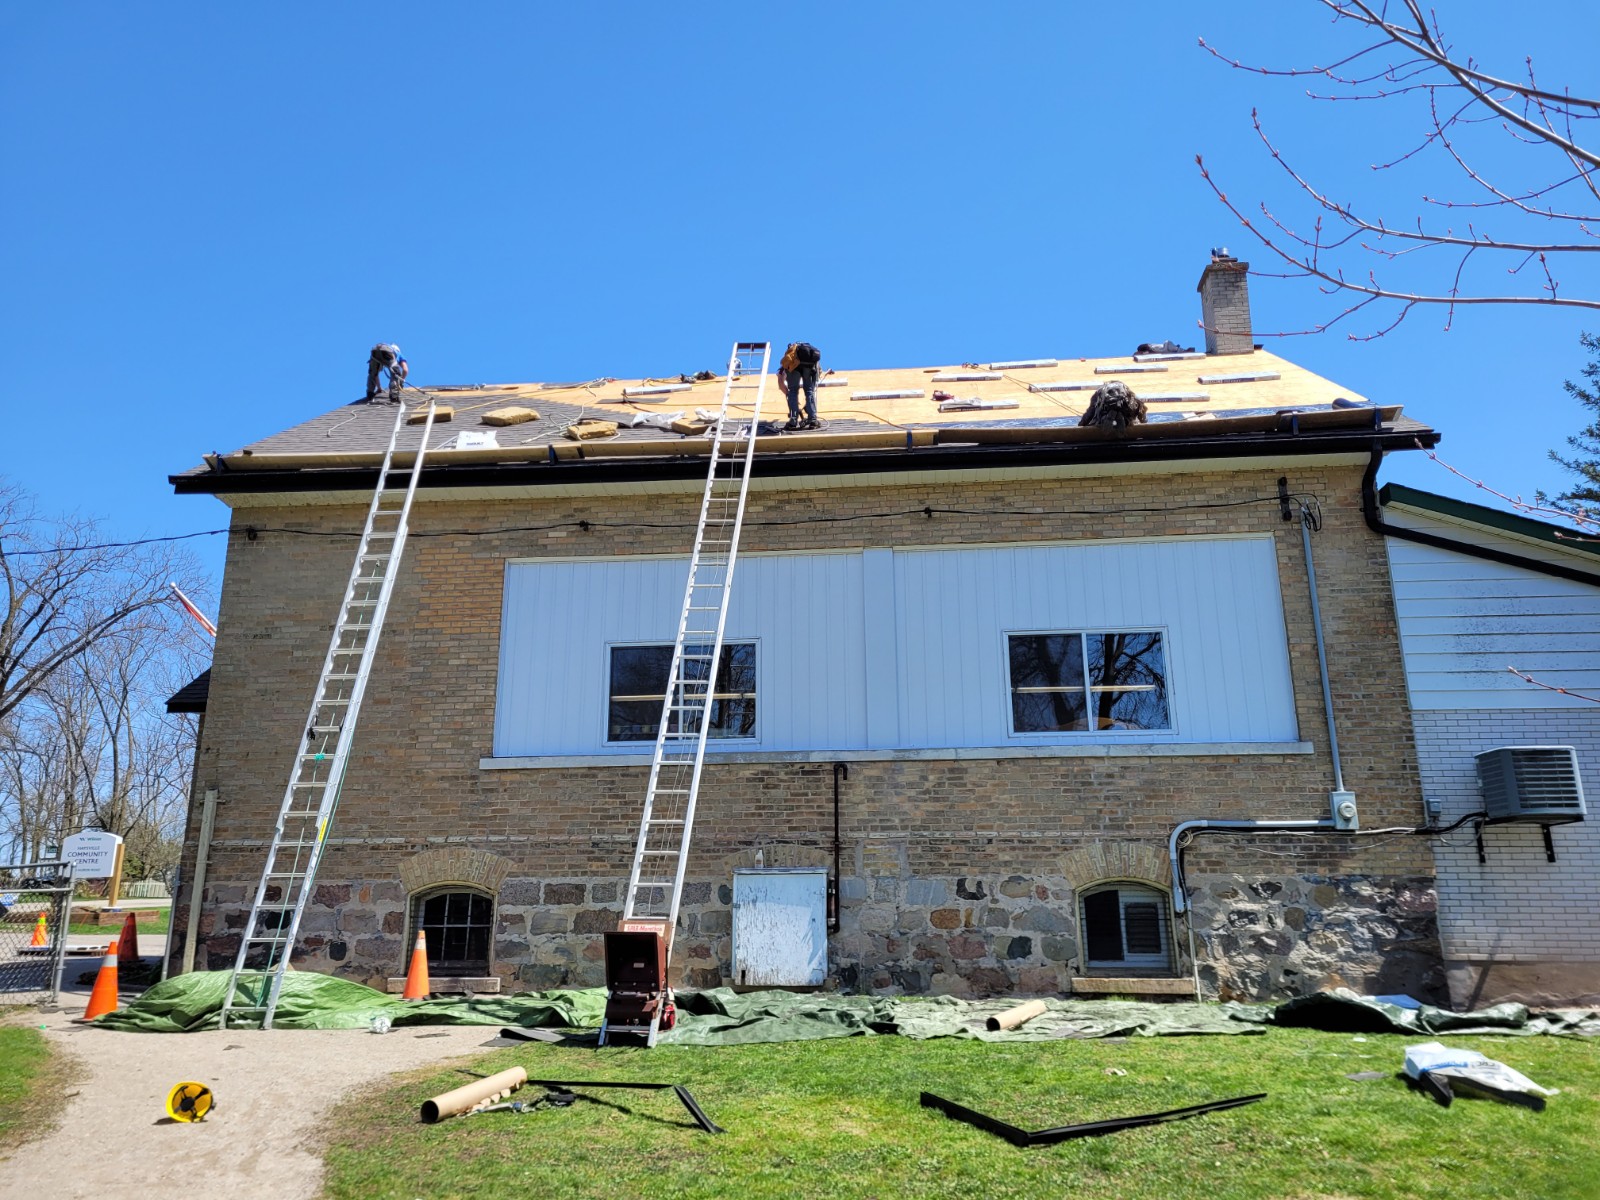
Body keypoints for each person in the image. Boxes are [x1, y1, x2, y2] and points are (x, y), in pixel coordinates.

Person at [779, 341, 822, 431]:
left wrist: (788, 396)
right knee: (809, 391)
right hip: (808, 367)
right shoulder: (811, 355)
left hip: (794, 368)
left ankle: (793, 421)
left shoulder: (791, 352)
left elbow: (780, 381)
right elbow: (816, 377)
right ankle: (813, 420)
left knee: (793, 391)